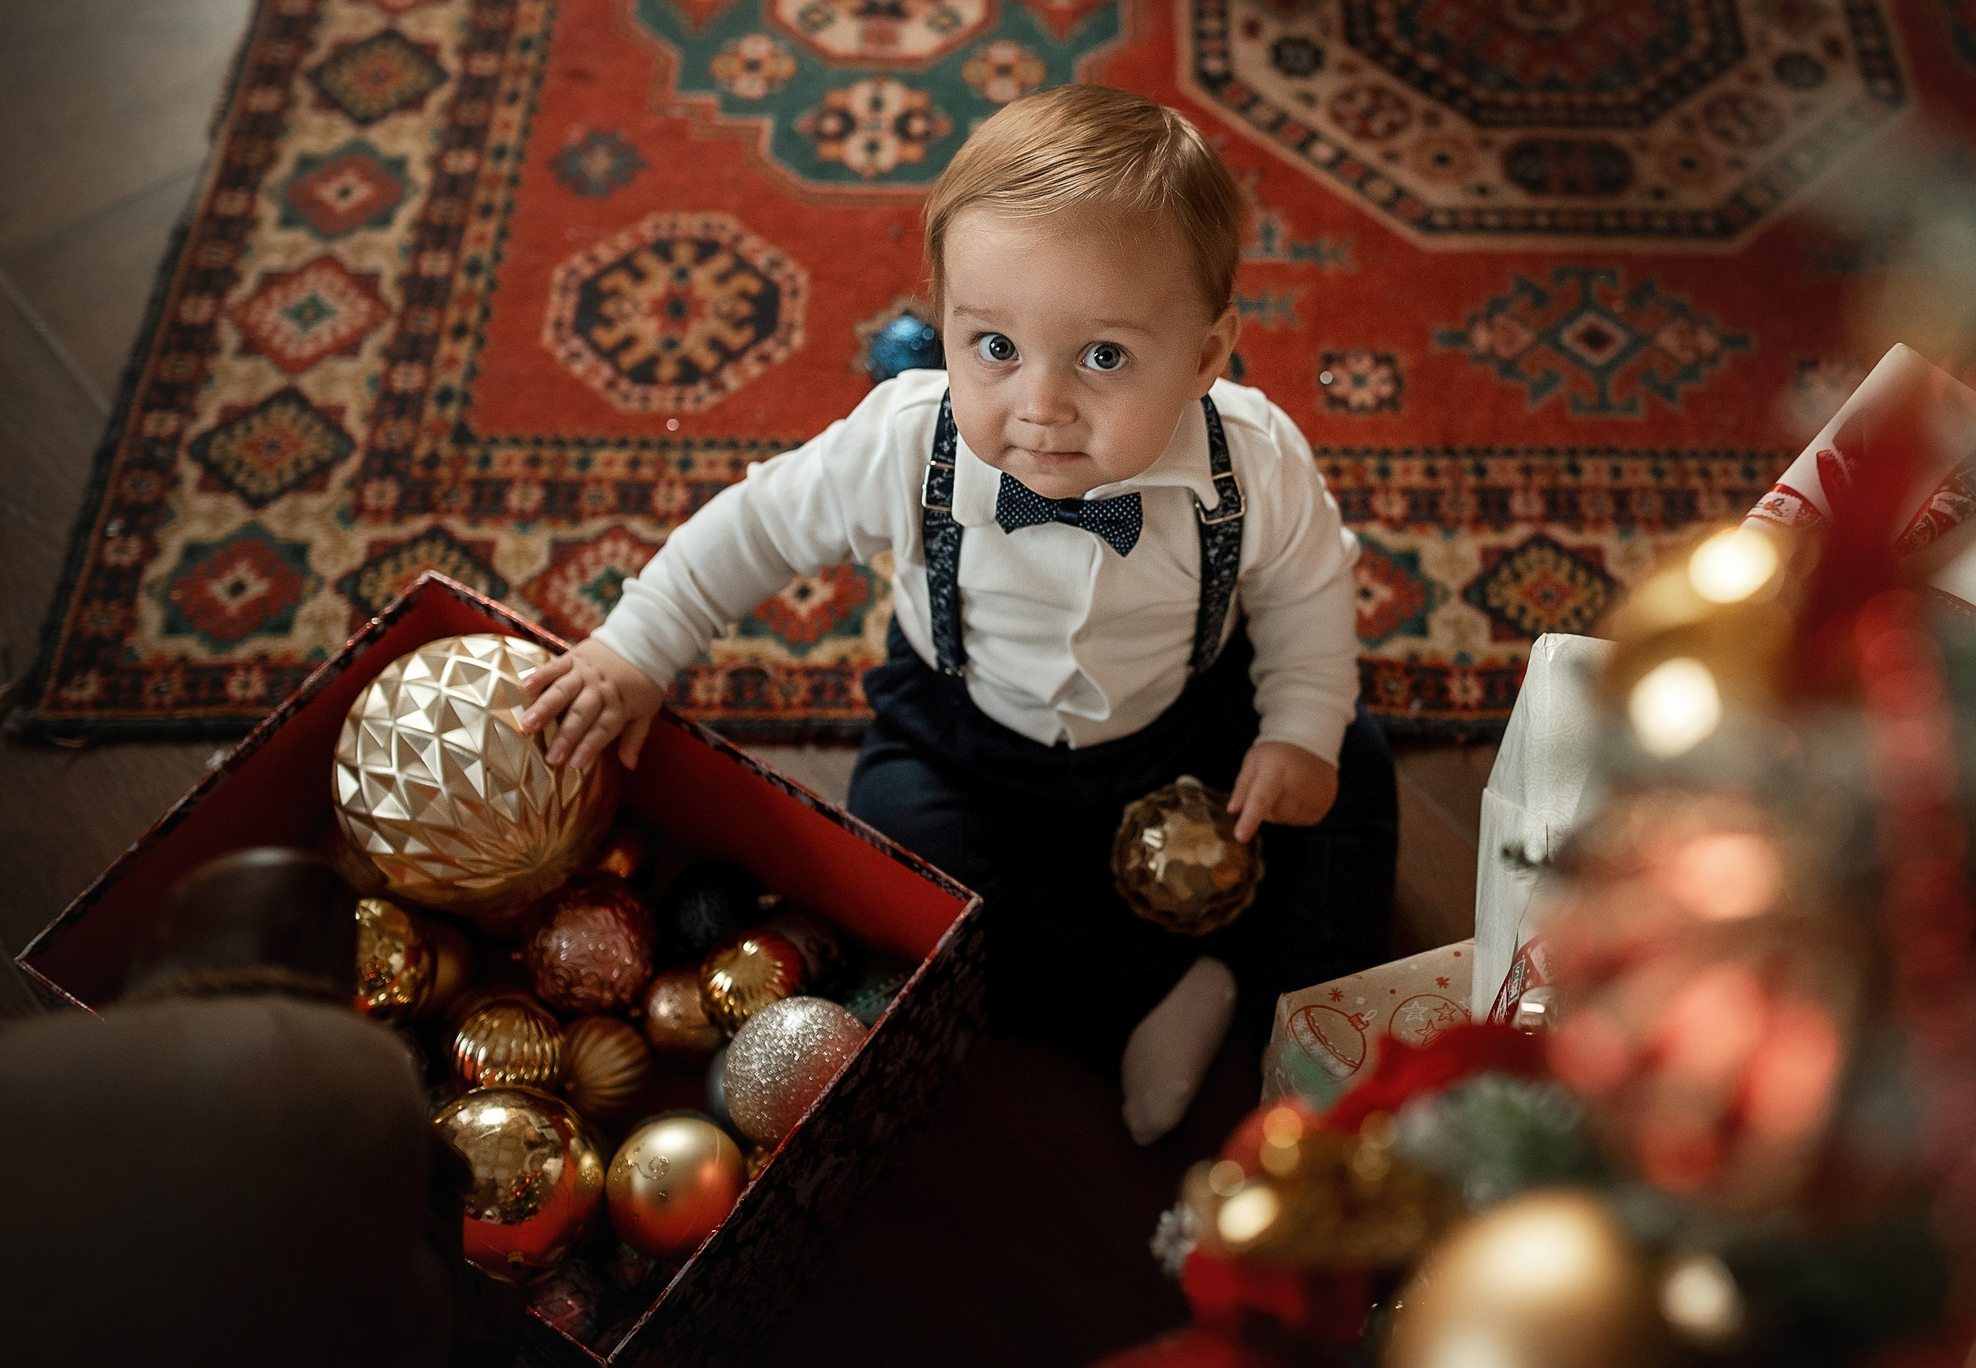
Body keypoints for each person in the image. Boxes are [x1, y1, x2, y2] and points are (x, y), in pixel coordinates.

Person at [518, 84, 1398, 1141]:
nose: (1040, 403)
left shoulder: (1250, 459)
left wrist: (1297, 726)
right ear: (944, 322)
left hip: (1187, 718)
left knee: (1351, 760)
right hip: (968, 731)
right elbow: (754, 527)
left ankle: (1314, 1028)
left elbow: (1307, 591)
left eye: (1104, 356)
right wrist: (637, 646)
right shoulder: (906, 439)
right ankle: (1152, 989)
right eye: (992, 345)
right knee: (898, 841)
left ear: (1207, 358)